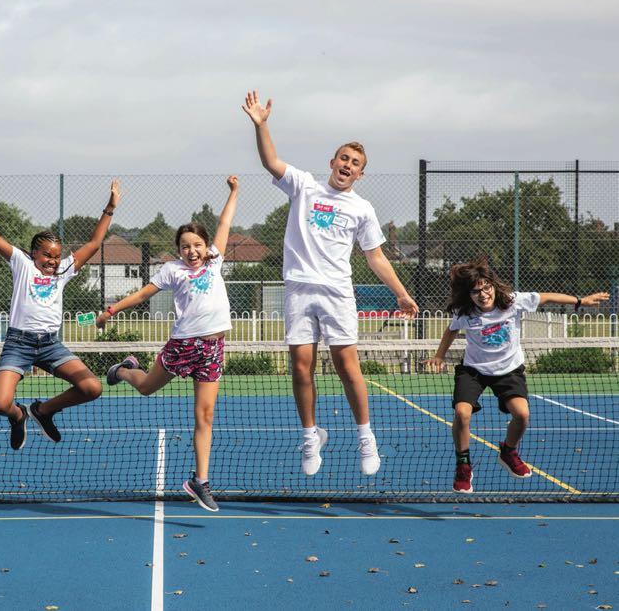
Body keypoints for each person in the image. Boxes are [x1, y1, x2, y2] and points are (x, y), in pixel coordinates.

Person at [242, 90, 418, 477]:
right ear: (332, 162)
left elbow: (376, 256)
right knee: (300, 367)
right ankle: (311, 437)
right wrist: (262, 125)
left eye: (355, 163)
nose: (347, 165)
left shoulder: (362, 209)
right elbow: (271, 161)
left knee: (347, 367)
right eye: (344, 158)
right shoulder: (304, 186)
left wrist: (402, 294)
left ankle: (366, 438)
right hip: (299, 290)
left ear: (360, 174)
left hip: (337, 294)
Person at [99, 176, 239, 512]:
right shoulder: (172, 270)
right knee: (147, 388)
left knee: (205, 416)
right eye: (185, 246)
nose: (192, 251)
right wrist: (111, 310)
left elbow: (224, 223)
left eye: (197, 245)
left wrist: (234, 192)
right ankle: (124, 370)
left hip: (213, 349)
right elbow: (142, 294)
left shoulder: (215, 260)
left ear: (206, 246)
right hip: (183, 346)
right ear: (179, 251)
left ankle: (200, 481)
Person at [0, 181, 120, 449]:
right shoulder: (22, 264)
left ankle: (43, 411)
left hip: (50, 344)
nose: (52, 260)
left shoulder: (64, 270)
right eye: (47, 255)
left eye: (57, 256)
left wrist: (109, 208)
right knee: (0, 404)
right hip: (19, 343)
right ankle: (19, 415)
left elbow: (94, 242)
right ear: (33, 253)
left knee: (92, 388)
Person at [424, 258, 609, 493]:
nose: (483, 294)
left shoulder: (512, 301)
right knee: (462, 413)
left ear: (493, 285)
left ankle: (508, 452)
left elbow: (546, 297)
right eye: (476, 291)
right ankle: (463, 465)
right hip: (474, 371)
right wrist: (439, 356)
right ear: (468, 294)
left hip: (509, 370)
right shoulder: (465, 312)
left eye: (486, 287)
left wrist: (580, 301)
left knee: (522, 414)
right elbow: (451, 331)